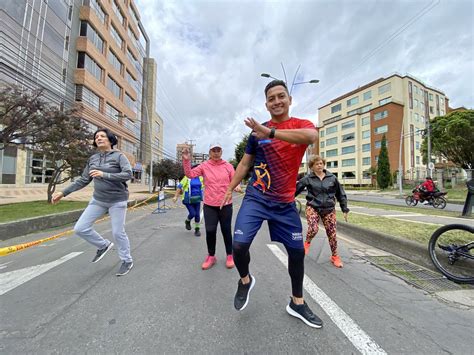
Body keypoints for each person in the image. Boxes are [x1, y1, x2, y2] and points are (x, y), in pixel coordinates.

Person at [222, 80, 323, 328]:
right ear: (266, 104)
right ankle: (245, 281)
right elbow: (245, 164)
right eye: (271, 98)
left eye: (281, 96)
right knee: (239, 245)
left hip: (285, 202)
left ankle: (297, 303)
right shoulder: (257, 133)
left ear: (289, 99)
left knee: (297, 253)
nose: (276, 101)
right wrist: (229, 187)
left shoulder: (301, 125)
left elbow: (312, 137)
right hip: (257, 197)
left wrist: (272, 133)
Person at [52, 128, 134, 276]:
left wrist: (105, 174)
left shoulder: (119, 157)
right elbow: (83, 180)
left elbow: (128, 174)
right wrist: (62, 193)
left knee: (118, 232)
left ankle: (126, 260)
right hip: (98, 200)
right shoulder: (93, 159)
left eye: (103, 136)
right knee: (80, 228)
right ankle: (103, 245)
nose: (99, 138)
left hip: (117, 200)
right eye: (96, 137)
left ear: (110, 140)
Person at [182, 143, 240, 270]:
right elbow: (190, 174)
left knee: (226, 231)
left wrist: (237, 186)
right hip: (209, 205)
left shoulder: (228, 166)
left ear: (221, 152)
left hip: (225, 204)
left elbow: (235, 179)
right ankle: (211, 256)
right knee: (210, 231)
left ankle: (230, 255)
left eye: (218, 150)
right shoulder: (204, 166)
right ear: (209, 152)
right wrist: (186, 160)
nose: (216, 152)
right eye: (213, 150)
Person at [295, 155, 349, 268]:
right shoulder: (308, 179)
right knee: (313, 228)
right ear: (312, 167)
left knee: (332, 234)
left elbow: (340, 193)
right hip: (313, 207)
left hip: (329, 209)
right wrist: (286, 201)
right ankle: (307, 242)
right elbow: (295, 190)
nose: (319, 165)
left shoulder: (332, 178)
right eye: (316, 164)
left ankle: (335, 256)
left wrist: (344, 209)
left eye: (321, 163)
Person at [173, 171, 205, 236]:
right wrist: (176, 196)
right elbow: (179, 186)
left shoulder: (201, 178)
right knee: (193, 213)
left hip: (197, 199)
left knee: (197, 215)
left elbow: (207, 185)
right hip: (188, 199)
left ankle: (197, 229)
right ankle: (187, 221)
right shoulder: (187, 178)